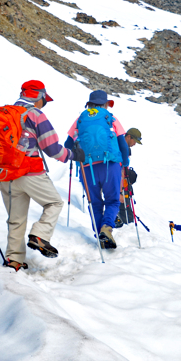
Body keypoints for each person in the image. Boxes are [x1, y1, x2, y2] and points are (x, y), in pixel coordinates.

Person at [0, 80, 78, 270]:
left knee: (16, 219)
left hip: (4, 174)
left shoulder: (3, 114)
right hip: (29, 170)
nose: (44, 102)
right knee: (54, 203)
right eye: (44, 99)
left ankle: (14, 261)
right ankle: (40, 235)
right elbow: (52, 148)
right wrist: (72, 155)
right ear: (39, 97)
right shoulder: (35, 115)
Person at [65, 90, 130, 249]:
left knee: (94, 202)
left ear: (89, 104)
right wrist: (125, 164)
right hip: (110, 165)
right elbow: (122, 143)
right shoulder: (110, 118)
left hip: (87, 168)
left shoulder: (80, 119)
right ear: (105, 103)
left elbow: (67, 144)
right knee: (113, 200)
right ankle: (106, 228)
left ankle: (99, 234)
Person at [114, 128, 142, 228]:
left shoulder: (124, 147)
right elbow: (120, 169)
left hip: (122, 182)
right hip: (118, 183)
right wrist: (121, 192)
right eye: (134, 141)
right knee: (122, 206)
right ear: (129, 137)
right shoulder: (120, 147)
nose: (134, 144)